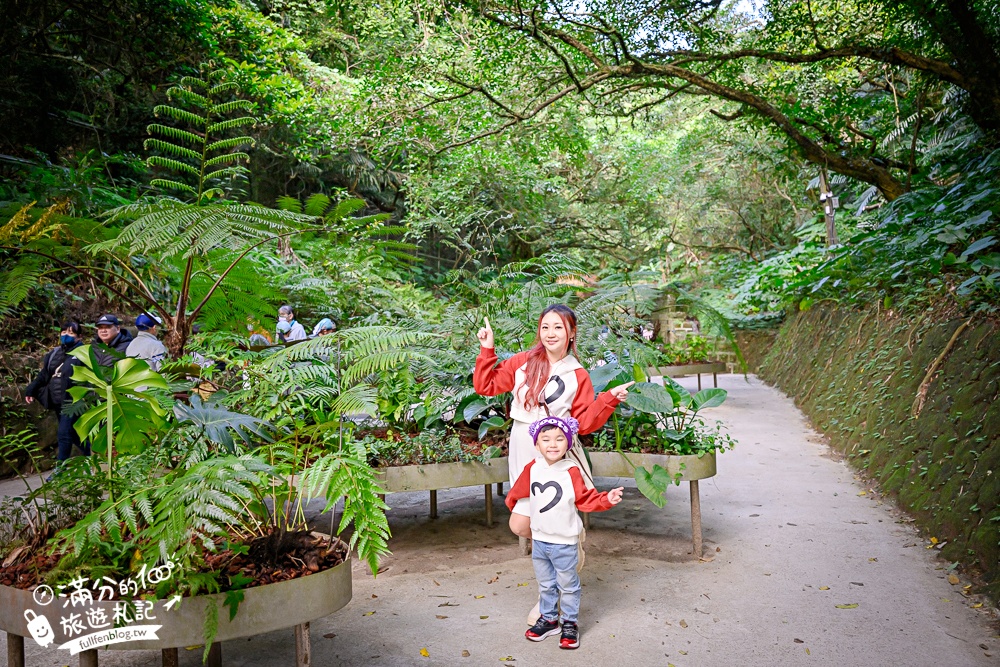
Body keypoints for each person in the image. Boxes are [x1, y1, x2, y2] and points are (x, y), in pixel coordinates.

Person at [473, 305, 632, 541]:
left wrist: (609, 399)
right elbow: (485, 386)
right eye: (545, 327)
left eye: (558, 327)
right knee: (522, 521)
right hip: (522, 443)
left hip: (555, 447)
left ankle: (563, 549)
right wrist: (487, 348)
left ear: (572, 332)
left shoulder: (577, 374)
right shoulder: (523, 362)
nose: (550, 333)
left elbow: (583, 423)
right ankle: (561, 546)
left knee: (551, 510)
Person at [505, 415, 623, 650]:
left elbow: (585, 499)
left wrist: (606, 499)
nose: (553, 444)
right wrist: (511, 504)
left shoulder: (571, 470)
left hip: (564, 542)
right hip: (539, 540)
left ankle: (570, 623)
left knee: (568, 585)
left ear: (568, 443)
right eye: (546, 439)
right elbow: (518, 492)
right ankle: (549, 620)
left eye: (560, 439)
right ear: (536, 444)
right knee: (545, 584)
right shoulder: (533, 467)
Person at [24, 322, 89, 468]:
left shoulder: (84, 353)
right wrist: (31, 389)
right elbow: (45, 374)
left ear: (79, 337)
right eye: (64, 332)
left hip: (73, 401)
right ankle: (92, 455)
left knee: (63, 433)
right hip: (58, 400)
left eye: (71, 333)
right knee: (74, 434)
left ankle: (60, 468)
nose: (66, 335)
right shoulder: (55, 353)